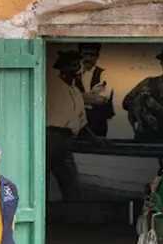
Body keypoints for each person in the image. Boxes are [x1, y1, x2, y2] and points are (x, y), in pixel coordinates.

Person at [123, 47, 163, 142]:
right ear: (161, 63)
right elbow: (126, 102)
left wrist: (157, 107)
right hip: (142, 134)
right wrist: (142, 108)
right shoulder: (147, 82)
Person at [46, 50, 86, 202]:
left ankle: (72, 221)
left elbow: (82, 121)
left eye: (77, 66)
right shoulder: (52, 86)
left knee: (72, 186)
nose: (76, 70)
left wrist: (96, 139)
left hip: (66, 140)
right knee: (41, 182)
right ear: (62, 68)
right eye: (72, 66)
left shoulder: (76, 92)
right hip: (49, 137)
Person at [75, 43, 114, 137]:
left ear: (97, 56)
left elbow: (101, 100)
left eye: (92, 55)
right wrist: (92, 95)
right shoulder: (74, 74)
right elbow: (66, 99)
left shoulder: (105, 74)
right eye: (85, 54)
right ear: (80, 55)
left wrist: (76, 96)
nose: (88, 58)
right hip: (77, 122)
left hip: (97, 122)